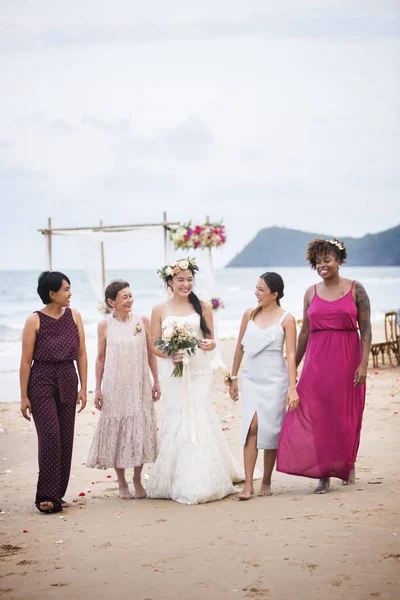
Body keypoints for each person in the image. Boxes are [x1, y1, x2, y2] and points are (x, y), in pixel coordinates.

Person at [277, 238, 371, 493]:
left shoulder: (356, 290)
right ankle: (324, 472)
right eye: (317, 262)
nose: (322, 266)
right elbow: (305, 332)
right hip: (317, 362)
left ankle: (346, 463)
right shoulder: (310, 292)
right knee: (317, 412)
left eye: (327, 260)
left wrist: (363, 365)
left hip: (347, 360)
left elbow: (366, 330)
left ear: (339, 261)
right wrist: (293, 366)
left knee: (344, 415)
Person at [146, 258, 243, 504]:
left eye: (189, 279)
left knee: (199, 416)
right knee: (176, 416)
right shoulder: (159, 309)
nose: (186, 284)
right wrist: (169, 353)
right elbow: (155, 343)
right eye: (180, 280)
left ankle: (202, 479)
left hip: (199, 371)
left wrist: (210, 344)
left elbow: (210, 341)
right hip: (173, 373)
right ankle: (174, 476)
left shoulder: (203, 306)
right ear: (169, 281)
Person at [19, 271, 87, 513]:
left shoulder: (75, 316)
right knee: (50, 437)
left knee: (66, 439)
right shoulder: (34, 320)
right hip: (41, 380)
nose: (70, 293)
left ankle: (57, 494)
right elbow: (26, 361)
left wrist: (83, 388)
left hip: (68, 378)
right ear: (52, 293)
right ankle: (45, 497)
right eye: (66, 289)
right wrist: (24, 396)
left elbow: (81, 354)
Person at [87, 280, 160, 499]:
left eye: (130, 295)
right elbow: (100, 359)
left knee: (139, 427)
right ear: (111, 302)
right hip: (115, 385)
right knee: (118, 431)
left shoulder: (142, 320)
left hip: (139, 384)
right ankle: (121, 483)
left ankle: (137, 479)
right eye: (124, 297)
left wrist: (156, 380)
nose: (129, 300)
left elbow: (150, 353)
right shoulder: (104, 325)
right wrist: (97, 389)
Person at [229, 272, 298, 500]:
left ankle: (266, 480)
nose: (256, 293)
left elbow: (290, 354)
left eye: (261, 289)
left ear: (274, 294)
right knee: (252, 427)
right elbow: (239, 347)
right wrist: (233, 377)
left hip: (275, 379)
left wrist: (292, 387)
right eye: (255, 288)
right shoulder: (249, 315)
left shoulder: (287, 319)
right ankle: (248, 484)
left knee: (270, 429)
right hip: (252, 378)